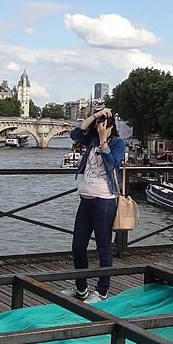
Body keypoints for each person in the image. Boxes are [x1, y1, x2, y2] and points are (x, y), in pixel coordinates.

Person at [65, 101, 125, 303]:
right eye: (99, 121)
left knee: (103, 247)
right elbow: (75, 133)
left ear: (111, 125)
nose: (100, 124)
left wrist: (103, 140)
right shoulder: (89, 139)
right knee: (77, 246)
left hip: (104, 202)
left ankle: (101, 291)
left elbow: (112, 165)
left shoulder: (118, 143)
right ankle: (81, 288)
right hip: (86, 201)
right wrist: (97, 114)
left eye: (104, 121)